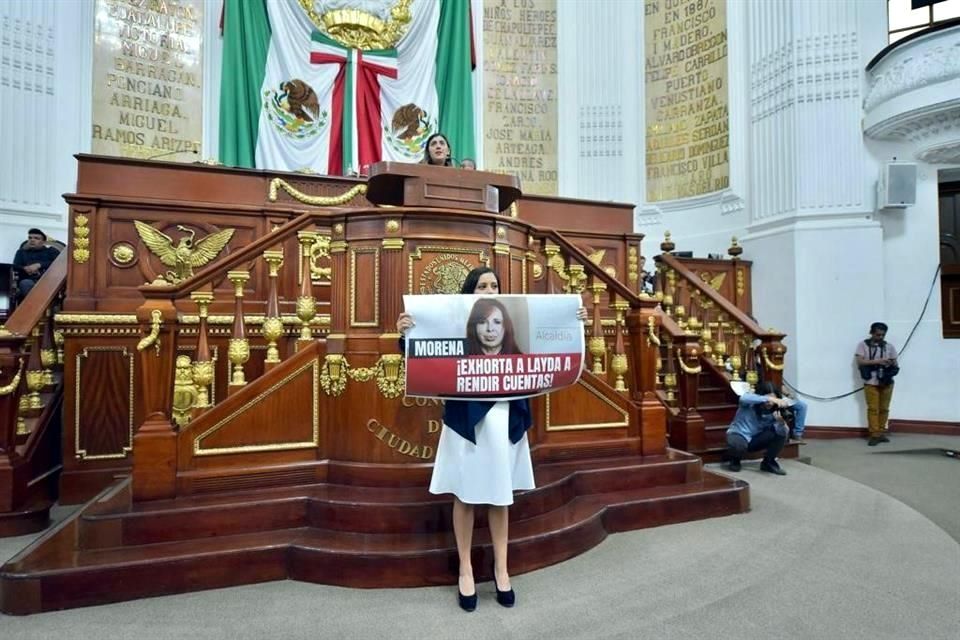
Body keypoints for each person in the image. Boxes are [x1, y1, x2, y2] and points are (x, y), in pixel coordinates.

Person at [396, 267, 586, 612]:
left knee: (500, 496)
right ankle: (466, 570)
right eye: (481, 286)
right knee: (466, 495)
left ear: (504, 322)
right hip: (466, 424)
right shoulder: (455, 336)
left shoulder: (517, 350)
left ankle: (502, 568)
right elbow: (421, 357)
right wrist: (406, 333)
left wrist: (574, 323)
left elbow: (557, 343)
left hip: (505, 420)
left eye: (494, 286)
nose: (490, 326)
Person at [724, 380, 791, 475]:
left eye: (773, 399)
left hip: (755, 439)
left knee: (779, 433)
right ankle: (735, 460)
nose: (769, 403)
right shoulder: (750, 403)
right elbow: (743, 398)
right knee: (738, 445)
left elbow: (783, 433)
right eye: (768, 399)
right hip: (738, 434)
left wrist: (781, 423)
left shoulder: (775, 411)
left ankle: (768, 463)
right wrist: (768, 399)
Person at [855, 322, 899, 446]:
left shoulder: (889, 346)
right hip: (871, 381)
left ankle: (881, 432)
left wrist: (889, 363)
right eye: (878, 335)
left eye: (883, 335)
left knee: (884, 408)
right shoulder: (863, 345)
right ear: (872, 333)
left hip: (886, 380)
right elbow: (860, 362)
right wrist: (878, 361)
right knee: (873, 408)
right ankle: (874, 435)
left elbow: (895, 363)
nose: (880, 337)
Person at [13, 228, 60, 299]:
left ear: (43, 242)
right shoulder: (21, 252)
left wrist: (39, 265)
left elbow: (59, 264)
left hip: (48, 281)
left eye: (36, 238)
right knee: (26, 283)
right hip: (28, 280)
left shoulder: (51, 251)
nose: (32, 240)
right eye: (30, 238)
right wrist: (25, 268)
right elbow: (15, 266)